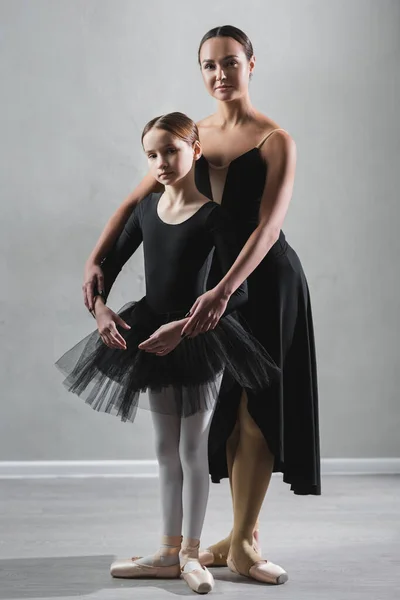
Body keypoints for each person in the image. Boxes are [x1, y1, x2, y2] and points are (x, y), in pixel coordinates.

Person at [82, 25, 320, 584]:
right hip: (209, 283)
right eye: (209, 66)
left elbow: (268, 227)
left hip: (264, 280)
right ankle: (235, 540)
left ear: (251, 65)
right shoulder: (191, 133)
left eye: (231, 63)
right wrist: (97, 262)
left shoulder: (274, 138)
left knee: (256, 412)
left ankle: (240, 543)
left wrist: (221, 291)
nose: (220, 75)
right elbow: (136, 202)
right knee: (221, 416)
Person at [56, 112, 281, 593]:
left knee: (192, 448)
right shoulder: (145, 211)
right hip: (149, 333)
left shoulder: (214, 216)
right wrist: (100, 313)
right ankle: (165, 551)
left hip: (197, 337)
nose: (160, 162)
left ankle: (191, 555)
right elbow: (106, 268)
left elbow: (235, 290)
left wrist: (187, 325)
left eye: (171, 151)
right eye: (152, 154)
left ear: (195, 150)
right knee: (164, 450)